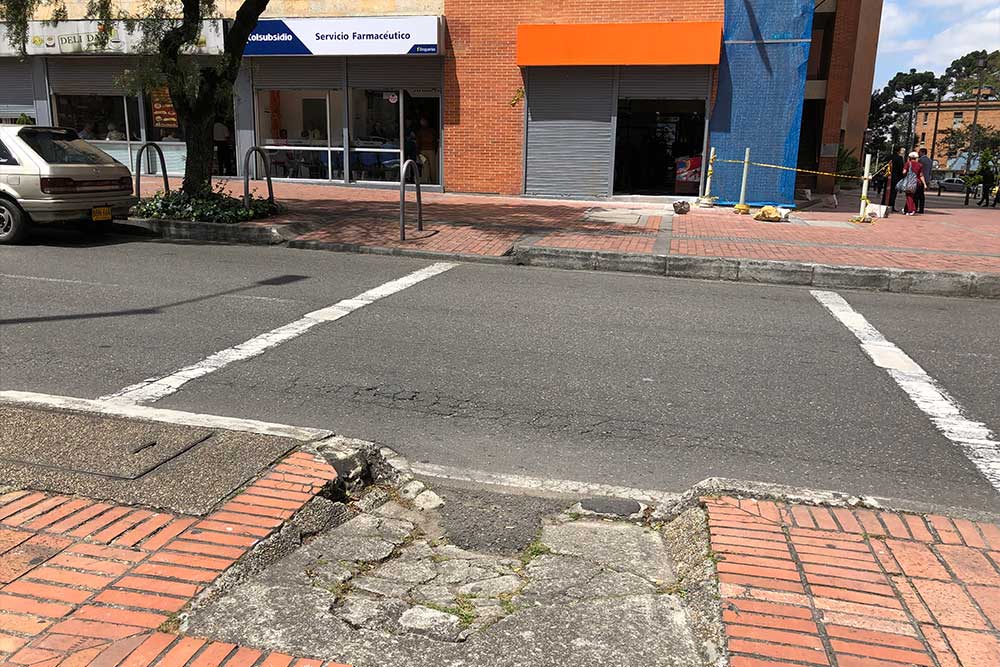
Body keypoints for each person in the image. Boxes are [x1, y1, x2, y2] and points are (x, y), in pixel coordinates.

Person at [901, 151, 927, 216]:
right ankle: (905, 210)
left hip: (909, 182)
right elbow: (921, 175)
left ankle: (911, 210)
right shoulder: (920, 165)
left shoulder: (908, 163)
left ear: (909, 158)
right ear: (916, 158)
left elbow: (904, 172)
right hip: (917, 183)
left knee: (909, 196)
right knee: (914, 196)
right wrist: (924, 184)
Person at [415, 116, 437, 184]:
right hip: (430, 150)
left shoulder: (420, 131)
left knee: (426, 166)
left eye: (423, 121)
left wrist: (417, 151)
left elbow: (417, 142)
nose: (422, 123)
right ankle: (432, 181)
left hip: (424, 150)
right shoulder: (431, 131)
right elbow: (435, 140)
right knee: (431, 166)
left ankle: (427, 181)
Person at [888, 147, 905, 212]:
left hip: (888, 176)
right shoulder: (899, 158)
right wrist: (902, 177)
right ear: (898, 151)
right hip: (896, 178)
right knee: (893, 193)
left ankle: (884, 204)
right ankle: (891, 206)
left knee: (886, 192)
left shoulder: (889, 157)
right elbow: (901, 169)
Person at [917, 148, 933, 214]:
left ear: (923, 152)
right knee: (922, 195)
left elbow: (918, 170)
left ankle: (914, 208)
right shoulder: (930, 160)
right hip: (926, 179)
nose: (918, 153)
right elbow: (930, 171)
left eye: (919, 152)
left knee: (917, 194)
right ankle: (921, 208)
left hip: (920, 179)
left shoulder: (920, 160)